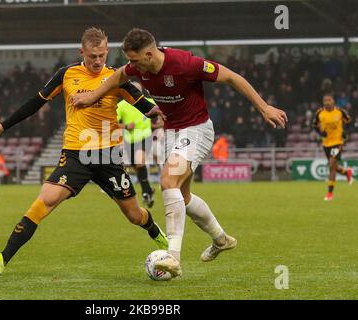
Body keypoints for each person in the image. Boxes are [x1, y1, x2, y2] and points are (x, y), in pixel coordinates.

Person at [72, 28, 288, 278]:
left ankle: (172, 257)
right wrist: (92, 96)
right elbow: (119, 76)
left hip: (197, 129)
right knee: (182, 197)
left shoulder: (185, 64)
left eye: (134, 60)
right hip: (172, 132)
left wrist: (264, 108)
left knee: (167, 181)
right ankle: (221, 239)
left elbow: (231, 77)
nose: (131, 66)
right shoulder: (137, 67)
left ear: (150, 54)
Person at [0, 27, 167, 276]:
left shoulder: (116, 78)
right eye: (92, 56)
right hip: (75, 154)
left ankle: (158, 235)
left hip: (108, 156)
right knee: (45, 201)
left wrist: (163, 112)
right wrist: (1, 127)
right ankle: (2, 258)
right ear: (82, 52)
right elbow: (35, 102)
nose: (97, 61)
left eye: (101, 55)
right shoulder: (66, 75)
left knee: (133, 215)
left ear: (107, 51)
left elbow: (144, 105)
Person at [116, 81, 156, 207]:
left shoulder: (149, 102)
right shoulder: (122, 106)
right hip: (130, 140)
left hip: (145, 137)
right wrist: (126, 126)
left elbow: (163, 111)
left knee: (139, 161)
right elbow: (113, 122)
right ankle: (148, 190)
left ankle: (145, 192)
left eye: (138, 91)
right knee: (137, 167)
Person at [312, 93, 353, 201]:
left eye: (329, 100)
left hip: (338, 142)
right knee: (334, 166)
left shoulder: (340, 112)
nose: (327, 102)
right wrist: (321, 133)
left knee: (331, 164)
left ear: (333, 101)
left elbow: (349, 122)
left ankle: (330, 193)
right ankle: (346, 172)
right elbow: (314, 125)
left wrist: (346, 133)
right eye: (325, 100)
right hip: (326, 144)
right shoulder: (319, 113)